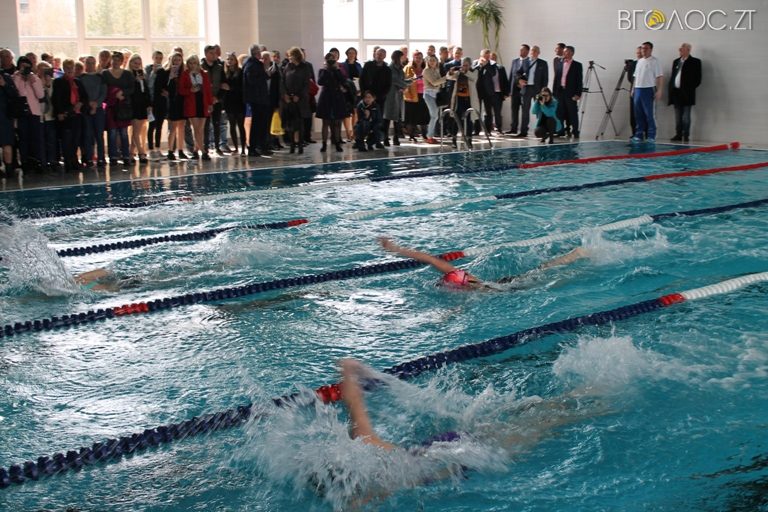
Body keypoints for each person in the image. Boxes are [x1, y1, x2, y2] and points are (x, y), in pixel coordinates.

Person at [378, 237, 588, 290]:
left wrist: (447, 316)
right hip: (503, 283)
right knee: (541, 270)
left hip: (508, 288)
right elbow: (430, 259)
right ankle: (574, 255)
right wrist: (396, 249)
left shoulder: (470, 287)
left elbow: (462, 306)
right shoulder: (458, 277)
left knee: (545, 274)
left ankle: (575, 256)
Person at [52, 59, 88, 172]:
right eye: (67, 68)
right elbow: (56, 99)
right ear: (63, 68)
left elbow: (85, 97)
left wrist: (80, 103)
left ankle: (74, 160)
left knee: (75, 139)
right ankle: (68, 162)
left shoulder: (78, 82)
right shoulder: (58, 82)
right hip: (65, 114)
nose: (69, 70)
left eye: (71, 68)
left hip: (77, 115)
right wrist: (59, 112)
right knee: (66, 139)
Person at [11, 56, 45, 171]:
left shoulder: (35, 78)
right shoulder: (15, 77)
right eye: (23, 66)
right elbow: (16, 92)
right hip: (21, 113)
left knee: (35, 138)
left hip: (34, 112)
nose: (25, 69)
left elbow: (40, 95)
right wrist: (20, 77)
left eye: (27, 66)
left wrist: (32, 81)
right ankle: (25, 162)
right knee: (23, 138)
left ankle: (37, 161)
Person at [102, 51, 135, 166]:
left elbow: (132, 88)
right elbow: (103, 89)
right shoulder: (105, 73)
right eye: (113, 60)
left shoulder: (127, 74)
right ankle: (113, 156)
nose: (115, 62)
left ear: (122, 62)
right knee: (112, 132)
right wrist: (114, 94)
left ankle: (126, 155)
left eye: (118, 60)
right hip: (111, 106)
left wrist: (122, 93)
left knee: (124, 132)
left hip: (123, 106)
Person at [179, 55, 213, 160]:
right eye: (190, 63)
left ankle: (195, 150)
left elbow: (208, 90)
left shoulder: (204, 74)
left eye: (194, 63)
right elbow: (181, 90)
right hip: (192, 104)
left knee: (200, 129)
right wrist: (190, 90)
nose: (192, 65)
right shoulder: (185, 74)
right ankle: (204, 152)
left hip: (203, 103)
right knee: (196, 129)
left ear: (198, 64)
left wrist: (210, 103)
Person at [280, 47, 312, 154]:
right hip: (289, 99)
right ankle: (292, 145)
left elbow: (306, 84)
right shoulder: (288, 66)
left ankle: (300, 145)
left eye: (291, 56)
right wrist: (285, 94)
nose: (289, 58)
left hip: (300, 100)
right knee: (290, 123)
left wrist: (299, 95)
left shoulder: (305, 67)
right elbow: (283, 81)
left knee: (300, 124)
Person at [630, 41, 663, 144]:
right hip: (638, 89)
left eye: (646, 48)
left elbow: (659, 76)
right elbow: (635, 77)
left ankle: (651, 135)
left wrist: (659, 90)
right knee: (638, 114)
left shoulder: (655, 61)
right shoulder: (639, 61)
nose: (643, 50)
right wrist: (633, 89)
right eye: (642, 48)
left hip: (648, 89)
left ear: (651, 50)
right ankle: (639, 134)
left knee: (649, 114)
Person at [667, 43, 701, 143]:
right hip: (676, 93)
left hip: (687, 93)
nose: (680, 51)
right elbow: (673, 76)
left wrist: (689, 88)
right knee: (678, 116)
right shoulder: (676, 61)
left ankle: (686, 135)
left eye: (682, 49)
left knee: (686, 116)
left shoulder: (695, 62)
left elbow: (698, 79)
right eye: (680, 49)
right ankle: (678, 134)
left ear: (688, 50)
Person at [158, 52, 188, 161]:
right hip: (171, 102)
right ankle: (170, 151)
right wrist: (170, 77)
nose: (177, 62)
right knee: (173, 127)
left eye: (179, 60)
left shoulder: (184, 73)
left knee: (182, 127)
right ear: (171, 61)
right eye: (175, 60)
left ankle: (180, 150)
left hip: (182, 101)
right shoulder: (165, 72)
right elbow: (162, 86)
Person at [359, 48, 391, 148]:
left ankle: (376, 141)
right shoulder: (368, 65)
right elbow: (362, 80)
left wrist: (380, 96)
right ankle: (359, 141)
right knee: (364, 121)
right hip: (367, 97)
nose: (379, 56)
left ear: (385, 56)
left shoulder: (387, 69)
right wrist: (365, 95)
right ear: (374, 55)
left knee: (378, 121)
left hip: (380, 99)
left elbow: (388, 85)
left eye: (381, 54)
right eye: (378, 54)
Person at [242, 44, 271, 158]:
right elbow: (252, 81)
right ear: (255, 53)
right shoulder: (252, 65)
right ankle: (254, 147)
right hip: (257, 99)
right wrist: (264, 75)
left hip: (259, 98)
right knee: (257, 124)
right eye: (259, 52)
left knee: (260, 124)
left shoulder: (253, 64)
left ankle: (260, 146)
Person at [316, 52, 348, 153]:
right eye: (329, 59)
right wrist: (326, 69)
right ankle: (324, 144)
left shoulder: (338, 70)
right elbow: (320, 82)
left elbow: (343, 80)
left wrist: (337, 69)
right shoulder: (322, 70)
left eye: (332, 59)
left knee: (337, 122)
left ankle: (337, 143)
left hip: (337, 97)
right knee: (325, 122)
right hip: (326, 97)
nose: (330, 61)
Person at [79, 55, 107, 168]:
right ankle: (89, 158)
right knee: (87, 134)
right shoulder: (81, 78)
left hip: (98, 109)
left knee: (99, 134)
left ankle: (101, 158)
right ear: (85, 64)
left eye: (92, 63)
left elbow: (103, 93)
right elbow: (80, 94)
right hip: (86, 109)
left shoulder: (100, 77)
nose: (90, 65)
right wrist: (89, 103)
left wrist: (96, 104)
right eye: (88, 63)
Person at [516, 45, 548, 139]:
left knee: (540, 110)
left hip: (538, 90)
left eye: (535, 51)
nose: (533, 53)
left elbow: (545, 78)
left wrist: (543, 91)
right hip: (526, 89)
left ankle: (541, 131)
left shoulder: (543, 63)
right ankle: (523, 131)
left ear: (539, 53)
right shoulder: (525, 61)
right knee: (525, 110)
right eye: (532, 51)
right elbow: (518, 73)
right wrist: (519, 80)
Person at [447, 57, 479, 149]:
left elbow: (474, 78)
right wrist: (451, 72)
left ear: (470, 65)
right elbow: (449, 77)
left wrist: (466, 71)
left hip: (469, 99)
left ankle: (469, 140)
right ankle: (454, 140)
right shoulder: (458, 72)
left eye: (466, 65)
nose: (464, 67)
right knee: (456, 119)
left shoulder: (474, 71)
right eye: (463, 65)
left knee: (469, 120)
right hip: (459, 99)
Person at [552, 45, 583, 139]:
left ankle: (575, 132)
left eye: (567, 51)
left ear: (572, 53)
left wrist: (578, 94)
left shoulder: (577, 65)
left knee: (572, 113)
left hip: (571, 93)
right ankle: (560, 131)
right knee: (559, 113)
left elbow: (579, 80)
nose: (564, 53)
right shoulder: (559, 63)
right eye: (564, 51)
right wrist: (554, 93)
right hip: (560, 91)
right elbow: (556, 79)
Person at [382, 50, 411, 147]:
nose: (405, 58)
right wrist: (405, 85)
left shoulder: (400, 68)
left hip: (398, 96)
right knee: (387, 117)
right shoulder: (390, 68)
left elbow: (401, 80)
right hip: (391, 95)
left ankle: (396, 138)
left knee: (397, 118)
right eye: (403, 57)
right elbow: (394, 80)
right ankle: (385, 138)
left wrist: (408, 82)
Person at [201, 45, 226, 156]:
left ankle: (217, 146)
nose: (214, 55)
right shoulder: (200, 67)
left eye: (215, 53)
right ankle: (205, 147)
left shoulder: (219, 67)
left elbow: (224, 84)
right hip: (204, 101)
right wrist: (208, 98)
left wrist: (217, 97)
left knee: (217, 123)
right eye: (211, 53)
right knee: (205, 125)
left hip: (216, 100)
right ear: (206, 54)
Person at [128, 54, 151, 163]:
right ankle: (141, 152)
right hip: (134, 105)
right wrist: (135, 81)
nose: (137, 65)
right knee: (136, 131)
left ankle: (131, 153)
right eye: (135, 63)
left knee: (137, 131)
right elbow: (129, 91)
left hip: (142, 105)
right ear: (130, 63)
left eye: (139, 63)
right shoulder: (128, 75)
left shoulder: (142, 74)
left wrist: (149, 104)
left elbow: (145, 90)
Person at [474, 48, 503, 136]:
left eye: (488, 56)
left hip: (488, 91)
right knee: (477, 110)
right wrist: (479, 65)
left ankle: (488, 130)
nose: (486, 58)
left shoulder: (491, 64)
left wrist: (486, 64)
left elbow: (493, 73)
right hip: (478, 90)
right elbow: (472, 71)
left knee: (488, 111)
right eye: (485, 56)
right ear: (481, 56)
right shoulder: (475, 62)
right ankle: (476, 130)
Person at [403, 50, 429, 143]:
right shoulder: (408, 68)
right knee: (411, 117)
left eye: (420, 58)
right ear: (413, 58)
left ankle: (425, 135)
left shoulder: (426, 68)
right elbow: (404, 81)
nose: (418, 59)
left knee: (424, 116)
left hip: (424, 95)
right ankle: (411, 135)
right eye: (416, 58)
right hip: (411, 95)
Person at [223, 52, 246, 155]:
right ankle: (236, 148)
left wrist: (230, 88)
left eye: (231, 59)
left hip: (239, 101)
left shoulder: (240, 72)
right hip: (229, 102)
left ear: (235, 61)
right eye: (228, 59)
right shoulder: (225, 73)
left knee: (241, 125)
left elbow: (242, 87)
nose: (229, 61)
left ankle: (243, 148)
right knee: (232, 125)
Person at [422, 55, 448, 144]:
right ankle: (429, 136)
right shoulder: (426, 71)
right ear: (428, 62)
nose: (432, 62)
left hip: (436, 94)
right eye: (430, 60)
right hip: (429, 95)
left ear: (437, 61)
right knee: (434, 116)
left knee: (435, 116)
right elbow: (434, 82)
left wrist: (444, 80)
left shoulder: (436, 70)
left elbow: (440, 82)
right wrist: (446, 78)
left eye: (434, 60)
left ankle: (430, 135)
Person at [506, 44, 529, 135]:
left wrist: (523, 82)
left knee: (524, 111)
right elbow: (511, 76)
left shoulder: (529, 62)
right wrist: (509, 90)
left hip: (524, 89)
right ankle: (513, 128)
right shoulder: (514, 61)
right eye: (520, 50)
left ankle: (524, 130)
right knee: (514, 109)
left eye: (523, 50)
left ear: (527, 51)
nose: (520, 51)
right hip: (514, 90)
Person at [146, 50, 165, 154]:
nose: (158, 60)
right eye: (156, 58)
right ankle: (150, 148)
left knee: (159, 126)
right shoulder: (148, 69)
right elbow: (148, 85)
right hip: (151, 102)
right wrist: (153, 72)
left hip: (160, 101)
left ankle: (157, 147)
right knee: (151, 125)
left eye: (160, 58)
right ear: (153, 58)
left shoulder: (163, 71)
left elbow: (164, 85)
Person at [340, 47, 362, 142]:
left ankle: (354, 132)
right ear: (347, 54)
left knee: (356, 112)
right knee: (347, 113)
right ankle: (348, 133)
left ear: (356, 54)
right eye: (349, 53)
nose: (351, 54)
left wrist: (361, 89)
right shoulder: (342, 65)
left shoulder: (358, 65)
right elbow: (342, 78)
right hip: (347, 91)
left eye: (353, 53)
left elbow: (361, 77)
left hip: (357, 91)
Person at [0, 70, 17, 175]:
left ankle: (9, 168)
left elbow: (14, 94)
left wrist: (4, 85)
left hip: (4, 116)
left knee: (7, 143)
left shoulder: (5, 77)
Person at [625, 46, 643, 136]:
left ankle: (644, 131)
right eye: (637, 53)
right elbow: (630, 78)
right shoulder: (633, 64)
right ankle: (634, 132)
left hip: (644, 91)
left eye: (640, 53)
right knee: (633, 113)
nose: (639, 55)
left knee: (644, 112)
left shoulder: (648, 63)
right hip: (634, 90)